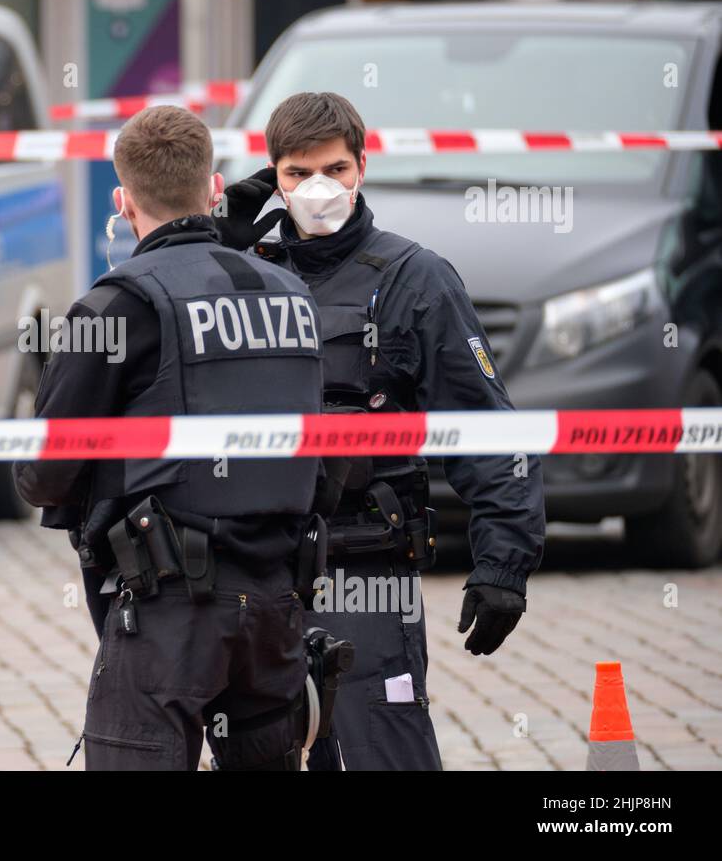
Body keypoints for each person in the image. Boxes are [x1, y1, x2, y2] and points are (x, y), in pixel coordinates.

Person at [217, 91, 546, 770]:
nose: (317, 188)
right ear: (271, 178)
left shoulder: (411, 277)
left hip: (366, 566)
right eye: (296, 173)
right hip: (257, 568)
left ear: (362, 167)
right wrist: (215, 235)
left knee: (379, 752)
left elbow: (481, 424)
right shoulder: (240, 275)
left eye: (334, 169)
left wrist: (503, 562)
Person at [14, 106, 324, 770]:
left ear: (123, 204)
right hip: (277, 608)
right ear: (214, 189)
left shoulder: (116, 304)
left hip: (170, 612)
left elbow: (43, 472)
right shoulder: (290, 295)